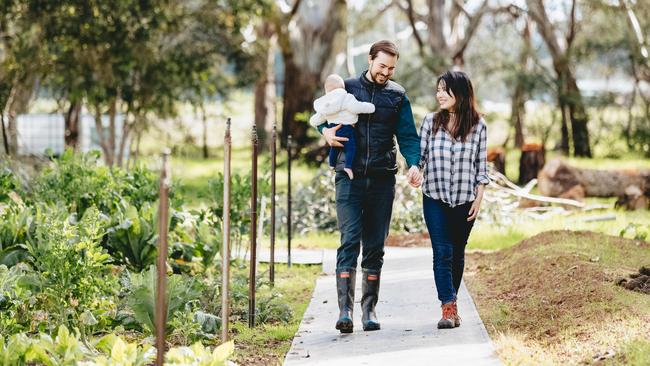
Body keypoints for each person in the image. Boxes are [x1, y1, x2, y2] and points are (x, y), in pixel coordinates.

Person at [313, 40, 421, 333]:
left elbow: (408, 136)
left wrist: (413, 163)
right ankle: (344, 311)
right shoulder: (346, 88)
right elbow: (321, 113)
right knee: (349, 240)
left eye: (391, 67)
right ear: (370, 60)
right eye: (381, 65)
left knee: (374, 245)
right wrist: (325, 133)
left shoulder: (397, 96)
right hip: (348, 177)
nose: (386, 72)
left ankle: (369, 309)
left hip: (382, 179)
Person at [414, 70, 489, 329]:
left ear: (461, 93)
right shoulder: (430, 122)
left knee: (457, 254)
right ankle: (448, 308)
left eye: (445, 90)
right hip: (434, 196)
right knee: (442, 252)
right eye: (438, 90)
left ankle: (452, 304)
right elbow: (420, 157)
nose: (439, 94)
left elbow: (482, 168)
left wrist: (479, 198)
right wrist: (414, 169)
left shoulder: (479, 126)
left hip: (465, 199)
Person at [309, 74, 376, 180]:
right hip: (347, 129)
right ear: (342, 87)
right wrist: (371, 107)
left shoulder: (325, 104)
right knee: (351, 148)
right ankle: (348, 167)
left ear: (327, 90)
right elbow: (356, 107)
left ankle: (331, 164)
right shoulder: (346, 98)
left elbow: (315, 120)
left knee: (334, 148)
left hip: (334, 130)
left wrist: (324, 129)